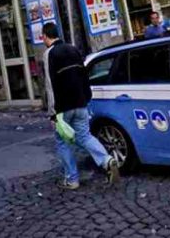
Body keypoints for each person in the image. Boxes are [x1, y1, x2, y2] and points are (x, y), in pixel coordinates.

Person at [42, 22, 119, 191]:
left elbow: (50, 84)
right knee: (85, 136)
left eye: (43, 37)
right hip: (80, 102)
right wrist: (87, 97)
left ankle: (72, 179)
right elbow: (84, 74)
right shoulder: (73, 49)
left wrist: (52, 112)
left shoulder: (49, 54)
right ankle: (107, 160)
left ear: (46, 36)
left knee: (63, 142)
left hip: (63, 107)